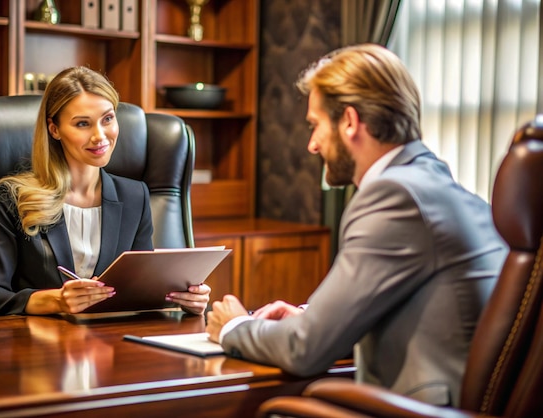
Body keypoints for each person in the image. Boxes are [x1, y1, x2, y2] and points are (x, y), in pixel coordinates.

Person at [205, 44, 507, 407]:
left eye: (315, 125)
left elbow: (305, 348)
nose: (312, 145)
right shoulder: (433, 184)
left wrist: (235, 327)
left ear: (349, 121)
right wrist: (309, 316)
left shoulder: (394, 196)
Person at [0, 66, 210, 318]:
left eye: (107, 119)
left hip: (112, 346)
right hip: (39, 346)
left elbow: (141, 292)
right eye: (82, 123)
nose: (100, 136)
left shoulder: (135, 196)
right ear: (54, 129)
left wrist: (185, 299)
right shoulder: (14, 197)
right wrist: (56, 301)